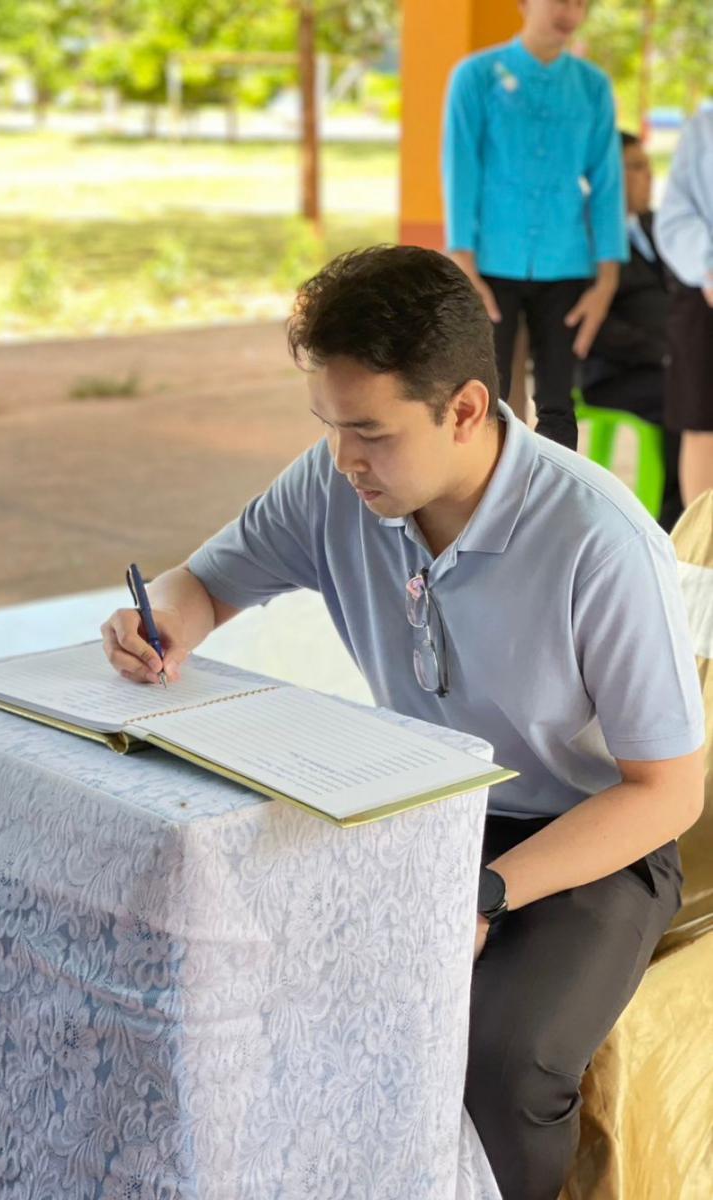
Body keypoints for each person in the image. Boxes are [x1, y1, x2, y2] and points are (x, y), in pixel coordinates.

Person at [101, 246, 704, 1200]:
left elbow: (666, 793)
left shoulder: (599, 540)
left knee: (504, 1061)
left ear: (464, 409)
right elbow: (203, 585)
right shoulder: (335, 486)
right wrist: (160, 623)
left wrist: (486, 896)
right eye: (329, 426)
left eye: (370, 432)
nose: (344, 459)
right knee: (250, 987)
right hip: (425, 810)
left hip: (591, 840)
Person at [442, 0, 628, 450]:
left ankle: (552, 492)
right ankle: (486, 490)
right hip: (491, 263)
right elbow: (460, 170)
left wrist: (607, 280)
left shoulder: (592, 86)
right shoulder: (476, 76)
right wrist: (464, 262)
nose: (571, 11)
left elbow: (607, 183)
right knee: (486, 396)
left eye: (581, 3)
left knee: (558, 404)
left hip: (567, 264)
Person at [580, 131, 683, 530]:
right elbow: (594, 326)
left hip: (672, 364)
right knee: (687, 392)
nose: (649, 176)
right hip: (615, 375)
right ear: (608, 177)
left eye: (648, 166)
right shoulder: (585, 241)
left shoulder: (661, 227)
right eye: (636, 167)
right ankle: (675, 520)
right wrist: (663, 353)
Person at [656, 109, 713, 507]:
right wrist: (708, 267)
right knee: (702, 423)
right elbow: (675, 217)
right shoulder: (704, 127)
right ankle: (704, 541)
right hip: (702, 293)